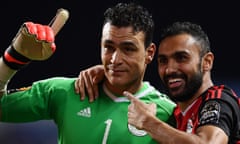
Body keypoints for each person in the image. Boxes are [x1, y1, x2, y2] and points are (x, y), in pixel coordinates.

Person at [0, 2, 176, 144]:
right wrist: (13, 58)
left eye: (128, 49)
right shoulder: (65, 92)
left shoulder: (167, 114)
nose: (115, 59)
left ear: (150, 53)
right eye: (108, 47)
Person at [75, 21, 240, 144]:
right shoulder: (174, 116)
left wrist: (148, 123)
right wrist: (108, 72)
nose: (170, 69)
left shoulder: (218, 99)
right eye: (163, 61)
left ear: (207, 62)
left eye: (181, 58)